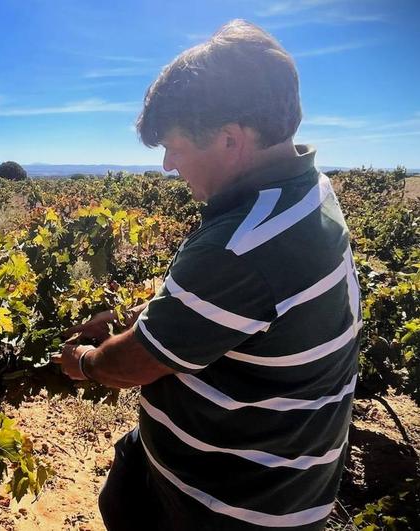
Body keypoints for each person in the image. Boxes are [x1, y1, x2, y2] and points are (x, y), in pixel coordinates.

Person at [52, 19, 360, 531]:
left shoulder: (243, 245)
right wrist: (145, 317)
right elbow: (245, 313)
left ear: (230, 140)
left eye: (174, 146)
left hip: (233, 503)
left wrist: (84, 361)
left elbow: (133, 366)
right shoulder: (307, 192)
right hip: (264, 471)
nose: (169, 165)